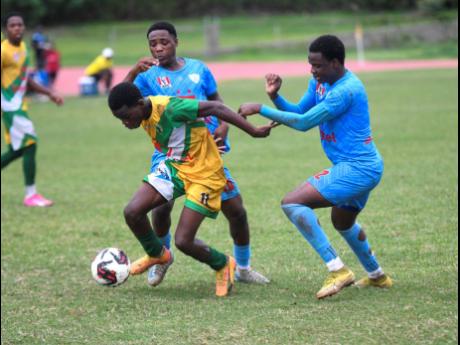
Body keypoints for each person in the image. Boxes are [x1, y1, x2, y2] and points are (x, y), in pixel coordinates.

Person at [238, 35, 393, 299]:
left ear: (335, 63)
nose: (312, 71)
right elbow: (299, 110)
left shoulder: (346, 90)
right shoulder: (320, 82)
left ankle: (338, 270)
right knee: (342, 221)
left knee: (292, 203)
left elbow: (303, 123)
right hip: (362, 166)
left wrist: (260, 108)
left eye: (318, 66)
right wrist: (276, 98)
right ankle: (378, 276)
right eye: (310, 65)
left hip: (358, 168)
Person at [123, 21, 270, 287]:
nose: (158, 48)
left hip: (207, 152)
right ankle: (161, 258)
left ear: (176, 41)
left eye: (163, 42)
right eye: (152, 44)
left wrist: (225, 127)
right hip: (169, 153)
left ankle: (243, 268)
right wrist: (133, 71)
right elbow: (121, 98)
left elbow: (217, 103)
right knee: (161, 206)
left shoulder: (199, 69)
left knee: (236, 210)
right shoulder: (147, 76)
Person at [107, 82, 274, 297]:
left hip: (205, 173)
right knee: (132, 212)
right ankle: (158, 255)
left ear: (140, 104)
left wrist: (252, 131)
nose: (125, 122)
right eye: (120, 119)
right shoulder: (141, 109)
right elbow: (126, 90)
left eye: (126, 117)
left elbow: (217, 107)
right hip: (176, 166)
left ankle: (222, 264)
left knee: (183, 241)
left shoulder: (172, 108)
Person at [1, 12, 64, 207]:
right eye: (12, 25)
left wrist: (49, 93)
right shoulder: (2, 51)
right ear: (6, 29)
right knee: (30, 142)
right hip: (9, 105)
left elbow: (26, 79)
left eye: (20, 25)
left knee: (17, 149)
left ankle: (31, 194)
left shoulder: (23, 48)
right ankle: (31, 195)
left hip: (20, 104)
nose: (17, 28)